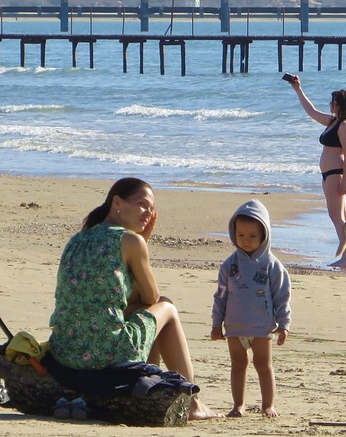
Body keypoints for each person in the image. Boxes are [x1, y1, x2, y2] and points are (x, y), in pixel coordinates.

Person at [48, 177, 217, 421]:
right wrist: (144, 242)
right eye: (142, 204)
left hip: (65, 350)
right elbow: (152, 297)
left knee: (143, 314)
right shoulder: (130, 241)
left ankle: (147, 379)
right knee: (166, 308)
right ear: (117, 202)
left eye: (151, 208)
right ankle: (193, 404)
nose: (148, 213)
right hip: (105, 352)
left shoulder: (77, 240)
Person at [210, 199, 291, 418]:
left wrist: (283, 324)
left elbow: (281, 296)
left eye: (252, 236)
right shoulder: (229, 265)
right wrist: (217, 323)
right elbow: (220, 296)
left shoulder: (272, 266)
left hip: (261, 326)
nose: (246, 241)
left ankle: (268, 405)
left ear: (264, 236)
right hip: (235, 325)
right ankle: (238, 405)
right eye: (241, 235)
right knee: (238, 365)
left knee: (263, 365)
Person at [286, 76, 346, 268]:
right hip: (329, 175)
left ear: (339, 104)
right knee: (342, 218)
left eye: (332, 102)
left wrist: (345, 181)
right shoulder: (333, 121)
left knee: (336, 216)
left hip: (336, 174)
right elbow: (311, 111)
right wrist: (298, 89)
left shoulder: (345, 126)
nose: (329, 104)